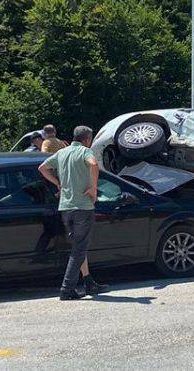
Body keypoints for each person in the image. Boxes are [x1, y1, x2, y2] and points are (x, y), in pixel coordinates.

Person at [38, 125, 109, 300]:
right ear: (87, 139)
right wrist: (93, 188)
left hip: (66, 207)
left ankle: (88, 281)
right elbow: (93, 165)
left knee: (78, 246)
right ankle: (66, 289)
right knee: (79, 249)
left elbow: (42, 168)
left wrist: (57, 184)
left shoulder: (62, 152)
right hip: (83, 207)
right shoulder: (85, 152)